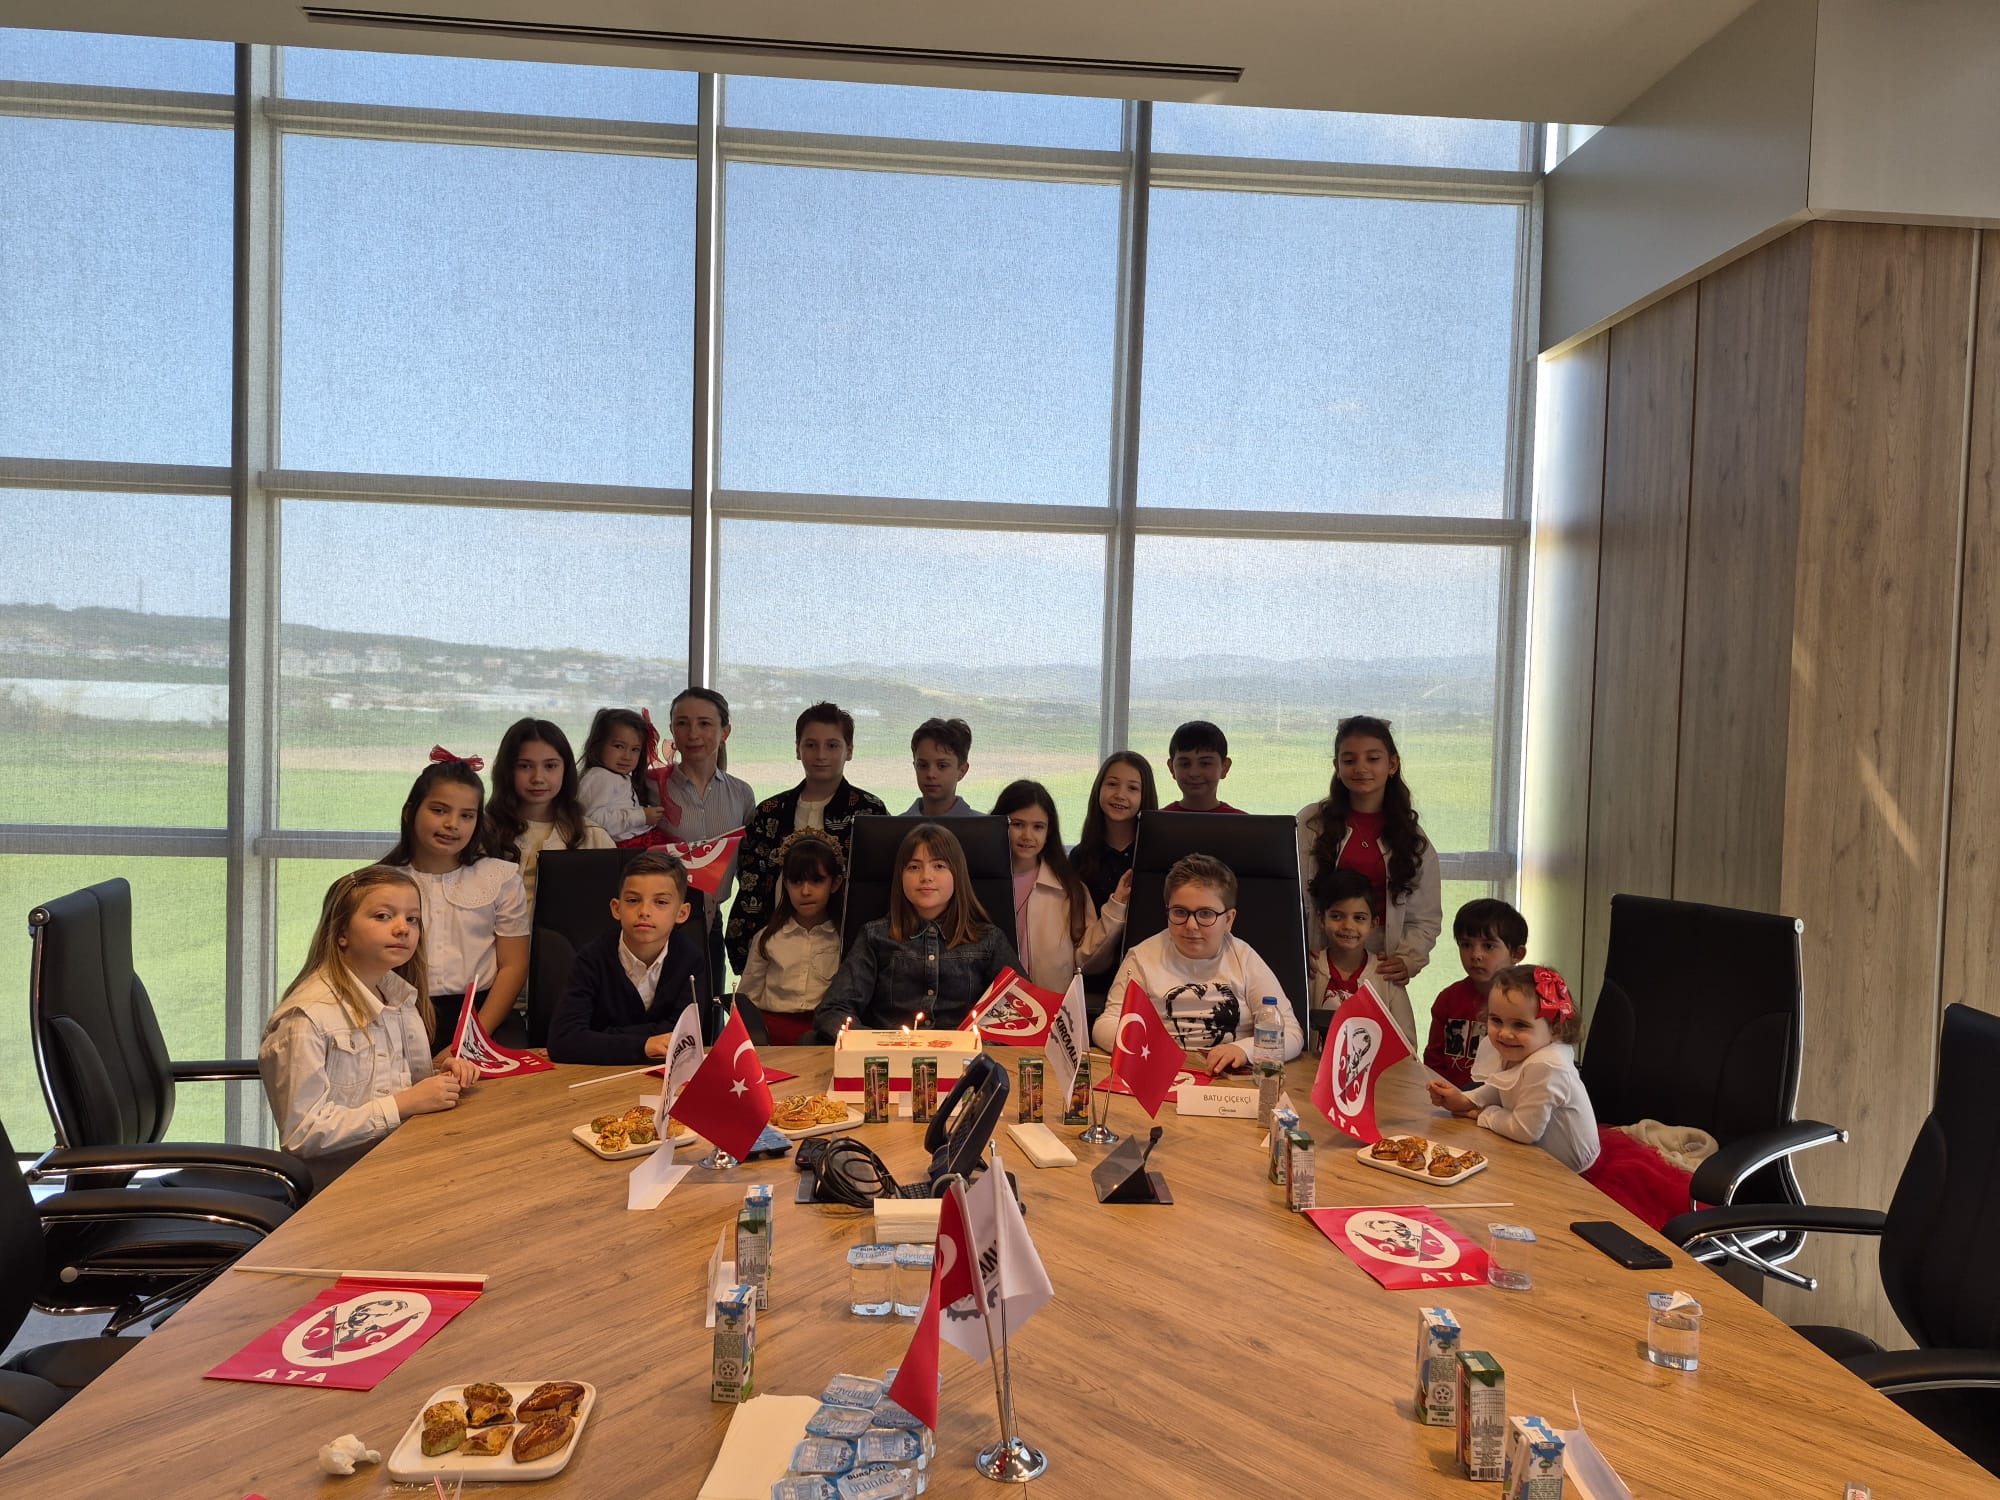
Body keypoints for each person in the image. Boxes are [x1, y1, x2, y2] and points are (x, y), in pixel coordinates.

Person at [258, 865, 479, 1188]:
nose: (402, 929)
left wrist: (439, 1077)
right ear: (341, 932)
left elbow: (391, 1085)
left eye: (412, 919)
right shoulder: (306, 1018)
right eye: (383, 916)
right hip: (342, 1188)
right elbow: (302, 1133)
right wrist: (403, 1104)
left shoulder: (400, 999)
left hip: (402, 1162)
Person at [1092, 852, 1302, 1073]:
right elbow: (1106, 1024)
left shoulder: (1245, 959)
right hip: (1158, 1070)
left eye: (1205, 914)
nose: (1191, 925)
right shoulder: (1142, 958)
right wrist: (1147, 1046)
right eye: (1180, 912)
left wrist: (1244, 1050)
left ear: (1228, 920)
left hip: (1229, 1076)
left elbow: (1291, 1033)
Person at [813, 822, 1019, 1037]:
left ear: (957, 874)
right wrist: (875, 1043)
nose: (926, 876)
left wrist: (983, 1044)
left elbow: (1022, 1010)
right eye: (914, 867)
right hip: (891, 1054)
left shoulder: (988, 939)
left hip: (966, 1054)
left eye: (939, 866)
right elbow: (833, 1010)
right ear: (900, 876)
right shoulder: (875, 937)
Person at [726, 702, 887, 973]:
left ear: (849, 751)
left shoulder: (869, 811)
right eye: (811, 745)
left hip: (846, 949)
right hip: (778, 947)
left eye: (832, 745)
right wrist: (747, 946)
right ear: (797, 749)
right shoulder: (770, 812)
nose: (821, 755)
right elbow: (751, 883)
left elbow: (878, 887)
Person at [382, 749, 529, 1047]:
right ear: (410, 812)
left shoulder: (500, 878)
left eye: (466, 815)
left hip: (485, 1018)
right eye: (439, 810)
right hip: (399, 1017)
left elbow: (513, 966)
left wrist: (471, 1039)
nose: (452, 824)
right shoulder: (380, 883)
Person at [1296, 714, 1442, 987]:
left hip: (1380, 967)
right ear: (1337, 766)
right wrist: (1299, 950)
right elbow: (1293, 897)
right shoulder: (1311, 823)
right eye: (1349, 760)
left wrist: (1407, 959)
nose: (1361, 768)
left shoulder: (1412, 838)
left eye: (1373, 759)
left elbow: (1425, 917)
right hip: (1317, 964)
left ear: (1392, 764)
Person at [546, 851, 707, 1065]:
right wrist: (645, 1045)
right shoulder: (591, 959)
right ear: (617, 908)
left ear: (682, 913)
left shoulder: (690, 960)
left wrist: (602, 1035)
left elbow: (684, 1037)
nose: (644, 911)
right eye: (633, 900)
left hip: (662, 1074)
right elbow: (563, 1040)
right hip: (596, 1074)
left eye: (660, 902)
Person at [661, 686, 758, 998]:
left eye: (704, 724)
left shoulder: (741, 794)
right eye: (682, 723)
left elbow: (748, 868)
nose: (692, 734)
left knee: (709, 1013)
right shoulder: (651, 788)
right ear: (672, 729)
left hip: (711, 925)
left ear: (725, 732)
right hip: (658, 927)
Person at [991, 778, 1126, 994]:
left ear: (1049, 832)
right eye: (1017, 824)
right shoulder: (977, 884)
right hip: (988, 1005)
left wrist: (1116, 907)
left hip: (1050, 1007)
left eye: (1038, 827)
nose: (1027, 836)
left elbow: (1085, 960)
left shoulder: (1069, 890)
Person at [485, 717, 613, 912]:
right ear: (507, 770)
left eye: (550, 766)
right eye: (525, 766)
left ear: (566, 769)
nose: (538, 778)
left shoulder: (593, 837)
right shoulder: (483, 831)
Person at [737, 829, 845, 1045]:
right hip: (771, 1037)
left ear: (835, 883)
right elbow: (747, 999)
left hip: (825, 1035)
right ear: (785, 884)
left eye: (817, 880)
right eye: (796, 881)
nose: (805, 891)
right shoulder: (768, 938)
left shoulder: (843, 939)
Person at [1424, 898, 1528, 1091]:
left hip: (1505, 1101)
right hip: (1451, 1100)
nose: (1475, 955)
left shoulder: (1528, 1002)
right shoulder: (1448, 999)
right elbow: (1433, 1061)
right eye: (1466, 945)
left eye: (1488, 946)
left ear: (1517, 954)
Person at [1308, 865, 1412, 1040]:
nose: (1348, 926)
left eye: (1359, 918)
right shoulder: (1310, 969)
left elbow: (1407, 1044)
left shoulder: (1387, 976)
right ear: (1321, 920)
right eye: (1337, 916)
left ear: (1373, 924)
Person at [1069, 751, 1158, 914]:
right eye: (1112, 784)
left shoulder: (1156, 856)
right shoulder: (1079, 857)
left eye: (1132, 788)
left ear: (1145, 795)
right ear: (1099, 788)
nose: (1120, 795)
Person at [578, 706, 673, 848]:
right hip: (622, 847)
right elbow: (592, 822)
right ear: (598, 745)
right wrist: (641, 816)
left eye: (635, 749)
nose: (627, 756)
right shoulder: (600, 777)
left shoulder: (617, 776)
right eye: (619, 746)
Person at [1163, 720, 1245, 813]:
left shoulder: (1243, 821)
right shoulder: (1157, 820)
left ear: (1224, 768)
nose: (1194, 773)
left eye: (1205, 763)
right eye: (1185, 764)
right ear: (1171, 768)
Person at [906, 716, 980, 818]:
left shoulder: (984, 826)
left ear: (962, 770)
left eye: (942, 766)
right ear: (915, 766)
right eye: (923, 765)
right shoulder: (895, 826)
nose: (930, 774)